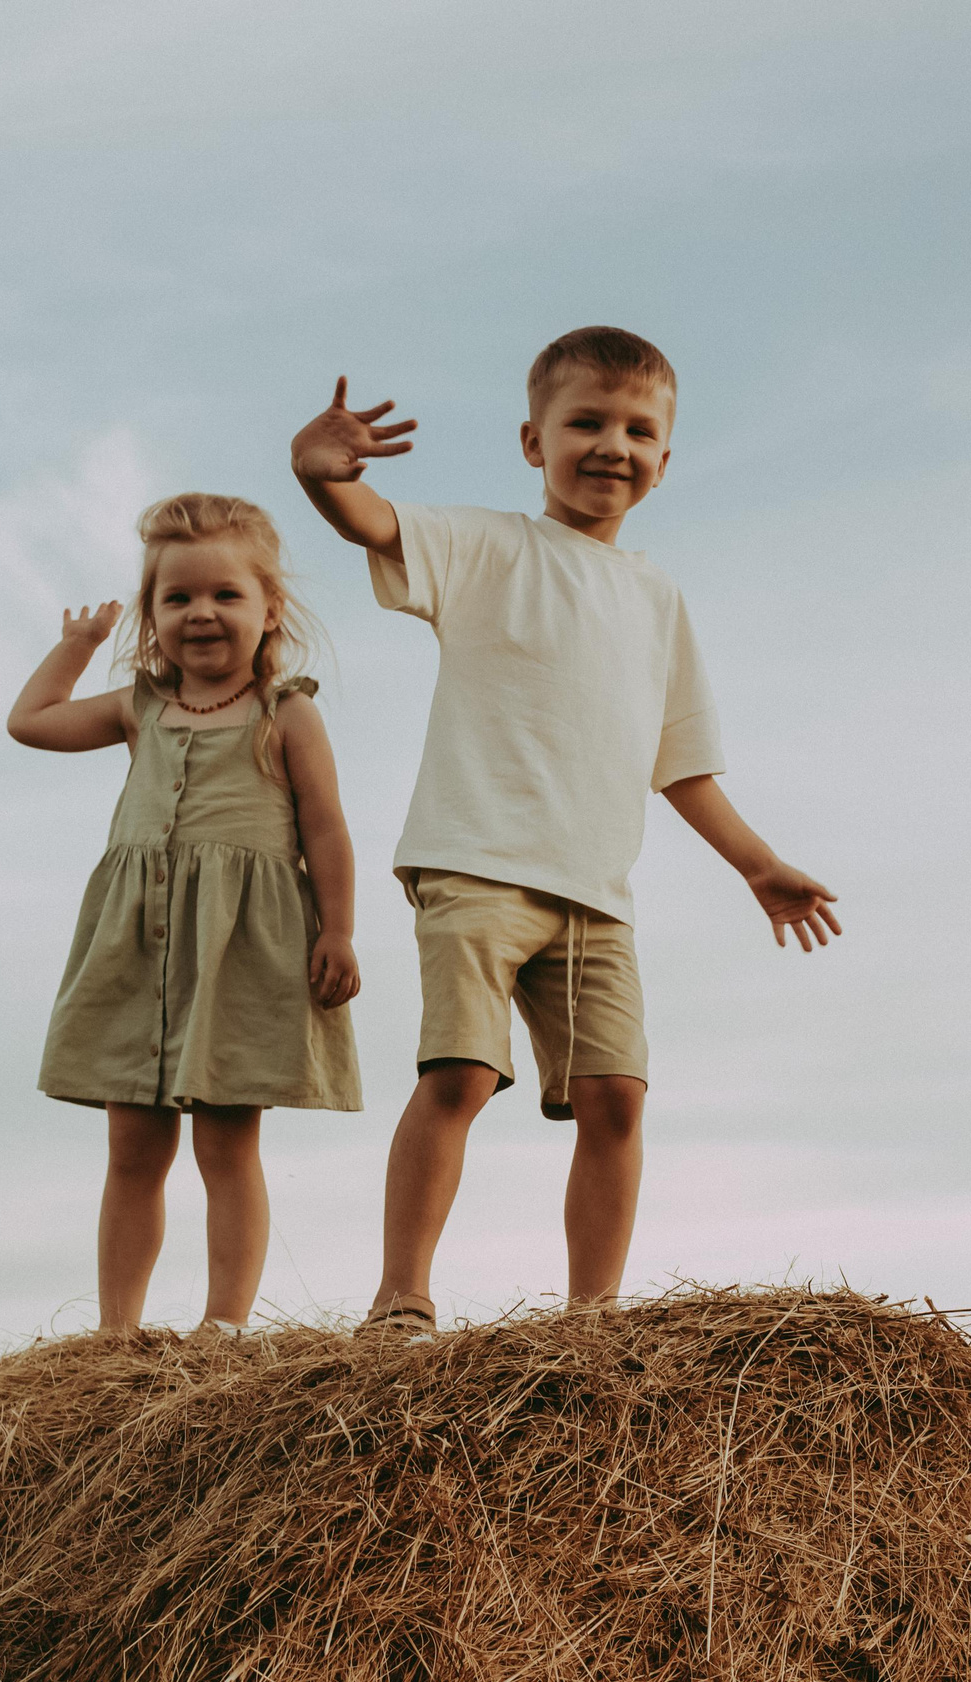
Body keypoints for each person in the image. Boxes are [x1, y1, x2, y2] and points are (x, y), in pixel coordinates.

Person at [289, 325, 838, 1334]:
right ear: (533, 441)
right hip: (474, 862)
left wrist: (757, 866)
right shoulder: (489, 546)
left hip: (597, 891)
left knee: (616, 1098)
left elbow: (681, 763)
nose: (611, 446)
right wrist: (321, 475)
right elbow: (371, 522)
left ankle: (595, 1322)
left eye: (638, 431)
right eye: (584, 422)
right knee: (458, 1071)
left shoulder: (656, 597)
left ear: (663, 462)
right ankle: (401, 1296)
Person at [8, 492, 363, 1337]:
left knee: (226, 1148)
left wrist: (339, 928)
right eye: (177, 598)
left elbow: (327, 829)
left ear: (269, 609)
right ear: (151, 614)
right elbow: (31, 722)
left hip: (238, 957)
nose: (200, 613)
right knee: (132, 1150)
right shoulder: (139, 709)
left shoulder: (288, 713)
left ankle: (223, 1324)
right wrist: (75, 647)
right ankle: (117, 1329)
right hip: (138, 952)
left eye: (225, 595)